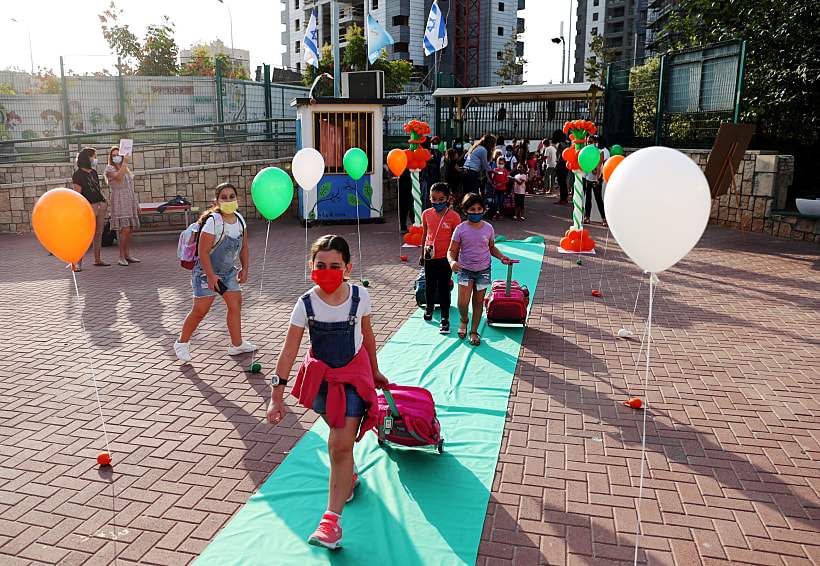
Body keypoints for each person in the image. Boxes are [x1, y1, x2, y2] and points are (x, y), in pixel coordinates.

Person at [266, 234, 388, 550]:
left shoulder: (360, 297)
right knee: (335, 431)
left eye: (335, 266)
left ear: (347, 267)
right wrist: (276, 396)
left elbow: (368, 335)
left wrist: (374, 370)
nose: (327, 271)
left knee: (338, 445)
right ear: (312, 266)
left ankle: (330, 524)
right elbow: (289, 351)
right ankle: (349, 474)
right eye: (321, 265)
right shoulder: (306, 303)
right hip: (320, 378)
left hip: (353, 378)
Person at [174, 182, 256, 362]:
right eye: (224, 198)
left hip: (227, 272)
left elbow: (243, 247)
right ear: (216, 201)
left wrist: (245, 268)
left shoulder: (240, 220)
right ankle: (181, 343)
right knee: (200, 311)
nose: (228, 200)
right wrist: (211, 276)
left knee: (235, 305)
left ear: (237, 199)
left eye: (232, 197)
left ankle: (237, 344)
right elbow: (202, 252)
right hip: (206, 272)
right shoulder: (213, 222)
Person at [448, 193, 512, 346]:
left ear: (483, 210)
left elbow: (491, 248)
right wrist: (452, 262)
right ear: (465, 211)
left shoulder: (488, 228)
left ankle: (474, 331)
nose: (476, 212)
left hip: (483, 271)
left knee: (478, 303)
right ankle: (464, 320)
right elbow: (451, 250)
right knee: (462, 303)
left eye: (479, 209)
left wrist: (502, 257)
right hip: (464, 270)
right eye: (472, 209)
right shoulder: (460, 229)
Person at [420, 182, 461, 333]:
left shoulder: (454, 217)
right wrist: (422, 254)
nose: (437, 203)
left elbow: (457, 240)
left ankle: (445, 318)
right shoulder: (426, 214)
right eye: (434, 199)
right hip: (430, 255)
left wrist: (455, 258)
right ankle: (429, 307)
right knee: (429, 284)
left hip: (446, 258)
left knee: (444, 288)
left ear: (448, 198)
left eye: (441, 199)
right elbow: (425, 234)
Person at [71, 147, 109, 270]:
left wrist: (104, 199)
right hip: (88, 207)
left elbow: (97, 188)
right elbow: (78, 194)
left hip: (100, 204)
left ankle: (97, 259)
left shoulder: (93, 172)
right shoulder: (78, 175)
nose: (95, 159)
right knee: (84, 234)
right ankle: (78, 262)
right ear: (88, 158)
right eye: (94, 156)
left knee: (98, 233)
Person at [104, 146, 140, 266]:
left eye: (118, 154)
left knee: (130, 228)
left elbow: (130, 187)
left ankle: (127, 254)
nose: (116, 157)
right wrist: (124, 163)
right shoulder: (109, 168)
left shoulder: (126, 169)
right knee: (124, 228)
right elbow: (118, 177)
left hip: (129, 199)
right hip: (119, 199)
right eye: (113, 155)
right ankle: (120, 256)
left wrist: (136, 204)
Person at [582, 134, 608, 227]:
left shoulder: (600, 152)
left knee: (598, 199)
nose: (590, 144)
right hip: (587, 177)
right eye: (588, 142)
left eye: (592, 142)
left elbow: (599, 165)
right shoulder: (586, 151)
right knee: (587, 197)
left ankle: (604, 219)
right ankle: (587, 217)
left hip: (597, 177)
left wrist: (597, 178)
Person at [553, 130, 570, 205]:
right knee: (563, 181)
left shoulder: (560, 144)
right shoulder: (566, 143)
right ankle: (564, 197)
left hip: (561, 163)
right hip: (565, 163)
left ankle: (562, 198)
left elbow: (560, 156)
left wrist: (556, 165)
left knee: (561, 181)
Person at [491, 156, 509, 221]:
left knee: (501, 202)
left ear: (504, 164)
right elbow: (493, 178)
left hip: (502, 188)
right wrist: (495, 174)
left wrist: (501, 183)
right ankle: (494, 214)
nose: (500, 165)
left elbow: (507, 180)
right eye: (499, 163)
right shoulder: (495, 170)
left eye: (502, 163)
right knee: (495, 202)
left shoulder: (505, 171)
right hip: (496, 189)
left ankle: (501, 214)